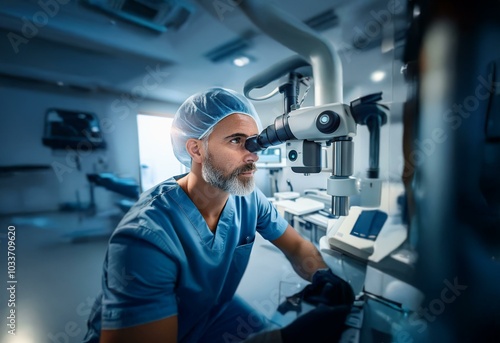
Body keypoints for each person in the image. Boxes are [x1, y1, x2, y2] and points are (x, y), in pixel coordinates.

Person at [83, 87, 352, 343]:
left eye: (254, 142)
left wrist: (321, 276)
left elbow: (296, 246)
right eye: (236, 140)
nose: (253, 154)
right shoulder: (145, 239)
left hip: (210, 310)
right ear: (196, 150)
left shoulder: (248, 198)